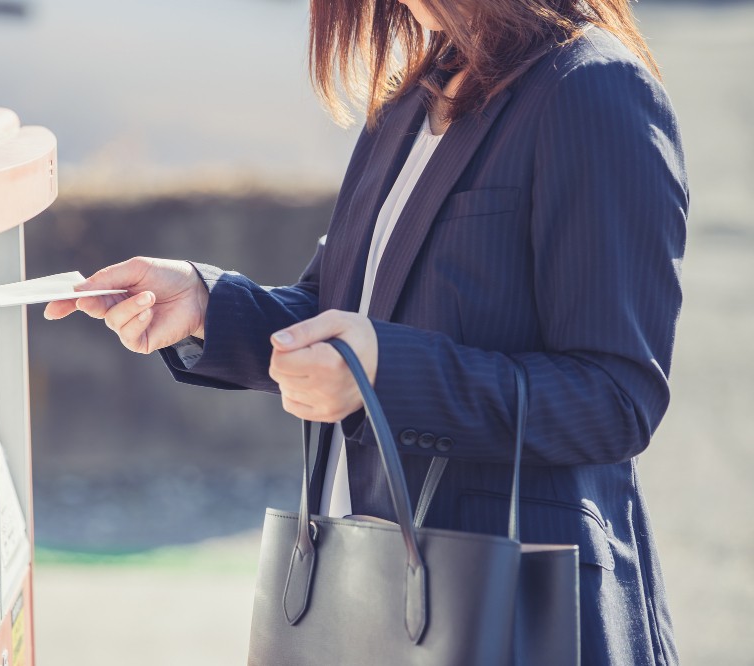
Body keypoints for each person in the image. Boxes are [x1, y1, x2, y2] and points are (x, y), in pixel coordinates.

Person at [45, 0, 687, 662]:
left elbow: (615, 398)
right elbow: (338, 312)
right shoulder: (416, 95)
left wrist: (385, 373)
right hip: (365, 599)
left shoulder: (593, 90)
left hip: (510, 614)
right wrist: (207, 305)